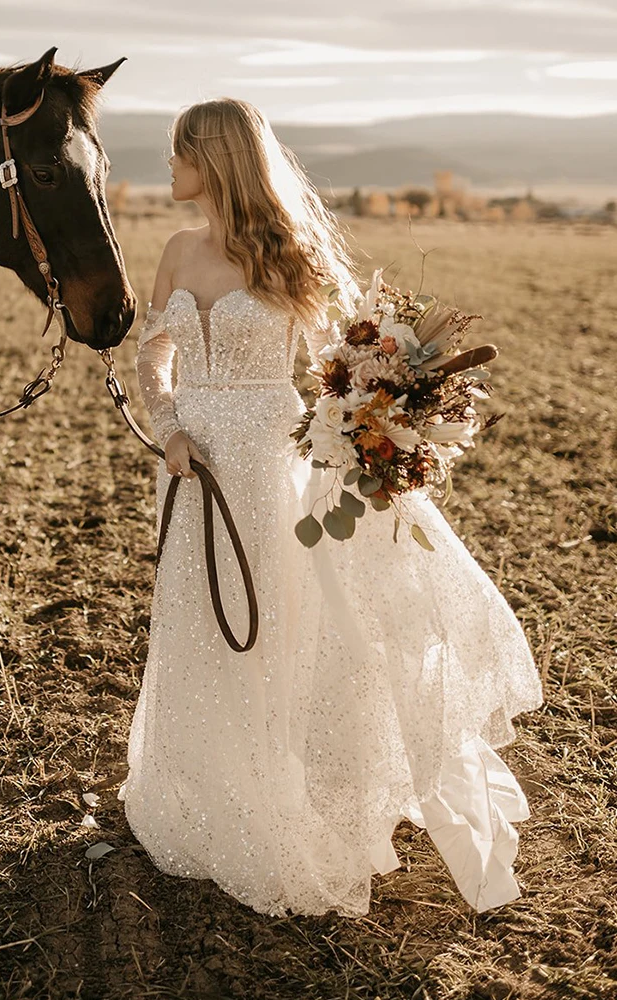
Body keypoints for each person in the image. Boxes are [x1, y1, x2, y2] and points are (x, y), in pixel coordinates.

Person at [121, 98, 543, 917]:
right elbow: (154, 357)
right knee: (192, 621)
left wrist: (369, 429)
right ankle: (198, 791)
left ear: (215, 159)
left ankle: (280, 791)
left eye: (178, 153)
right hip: (192, 467)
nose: (167, 167)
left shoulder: (294, 261)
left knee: (273, 629)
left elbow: (345, 374)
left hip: (268, 465)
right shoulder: (174, 250)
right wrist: (169, 428)